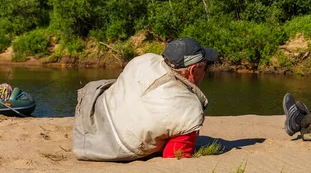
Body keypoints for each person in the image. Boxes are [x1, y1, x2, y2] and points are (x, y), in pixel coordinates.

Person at [72, 38, 217, 161]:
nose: (205, 72)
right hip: (112, 148)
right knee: (186, 126)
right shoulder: (191, 109)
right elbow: (173, 156)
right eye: (205, 67)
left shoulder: (144, 59)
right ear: (192, 70)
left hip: (90, 108)